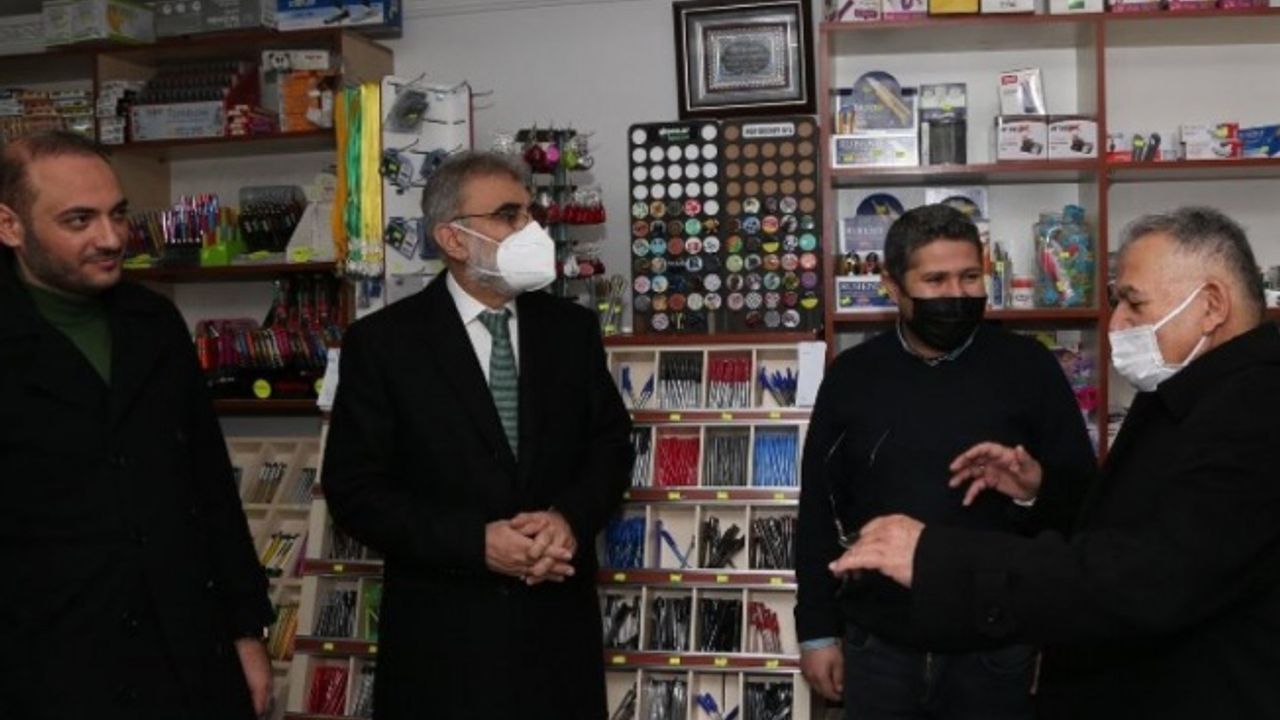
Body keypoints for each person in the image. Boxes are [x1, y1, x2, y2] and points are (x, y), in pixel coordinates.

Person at [830, 207, 1280, 719]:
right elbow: (1112, 526)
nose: (1117, 323)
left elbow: (1146, 577)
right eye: (1115, 301)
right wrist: (1036, 489)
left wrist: (935, 558)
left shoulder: (1257, 413)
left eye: (1133, 302)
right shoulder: (1181, 392)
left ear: (1212, 305)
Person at [321, 150, 633, 719]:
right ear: (453, 239)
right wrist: (474, 542)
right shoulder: (384, 345)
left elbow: (610, 446)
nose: (531, 230)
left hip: (557, 638)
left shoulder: (571, 331)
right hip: (444, 647)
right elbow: (355, 490)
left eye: (531, 214)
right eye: (509, 215)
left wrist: (568, 518)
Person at [0, 132, 274, 719]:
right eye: (79, 220)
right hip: (46, 669)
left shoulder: (154, 322)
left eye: (118, 214)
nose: (110, 238)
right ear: (10, 226)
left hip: (184, 656)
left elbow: (210, 487)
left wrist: (245, 632)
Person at [796, 204, 1096, 719]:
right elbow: (819, 510)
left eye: (970, 277)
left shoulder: (1029, 367)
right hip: (879, 647)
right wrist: (817, 633)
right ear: (893, 288)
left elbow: (1084, 503)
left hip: (996, 645)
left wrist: (1034, 489)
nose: (956, 294)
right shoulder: (852, 375)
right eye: (935, 280)